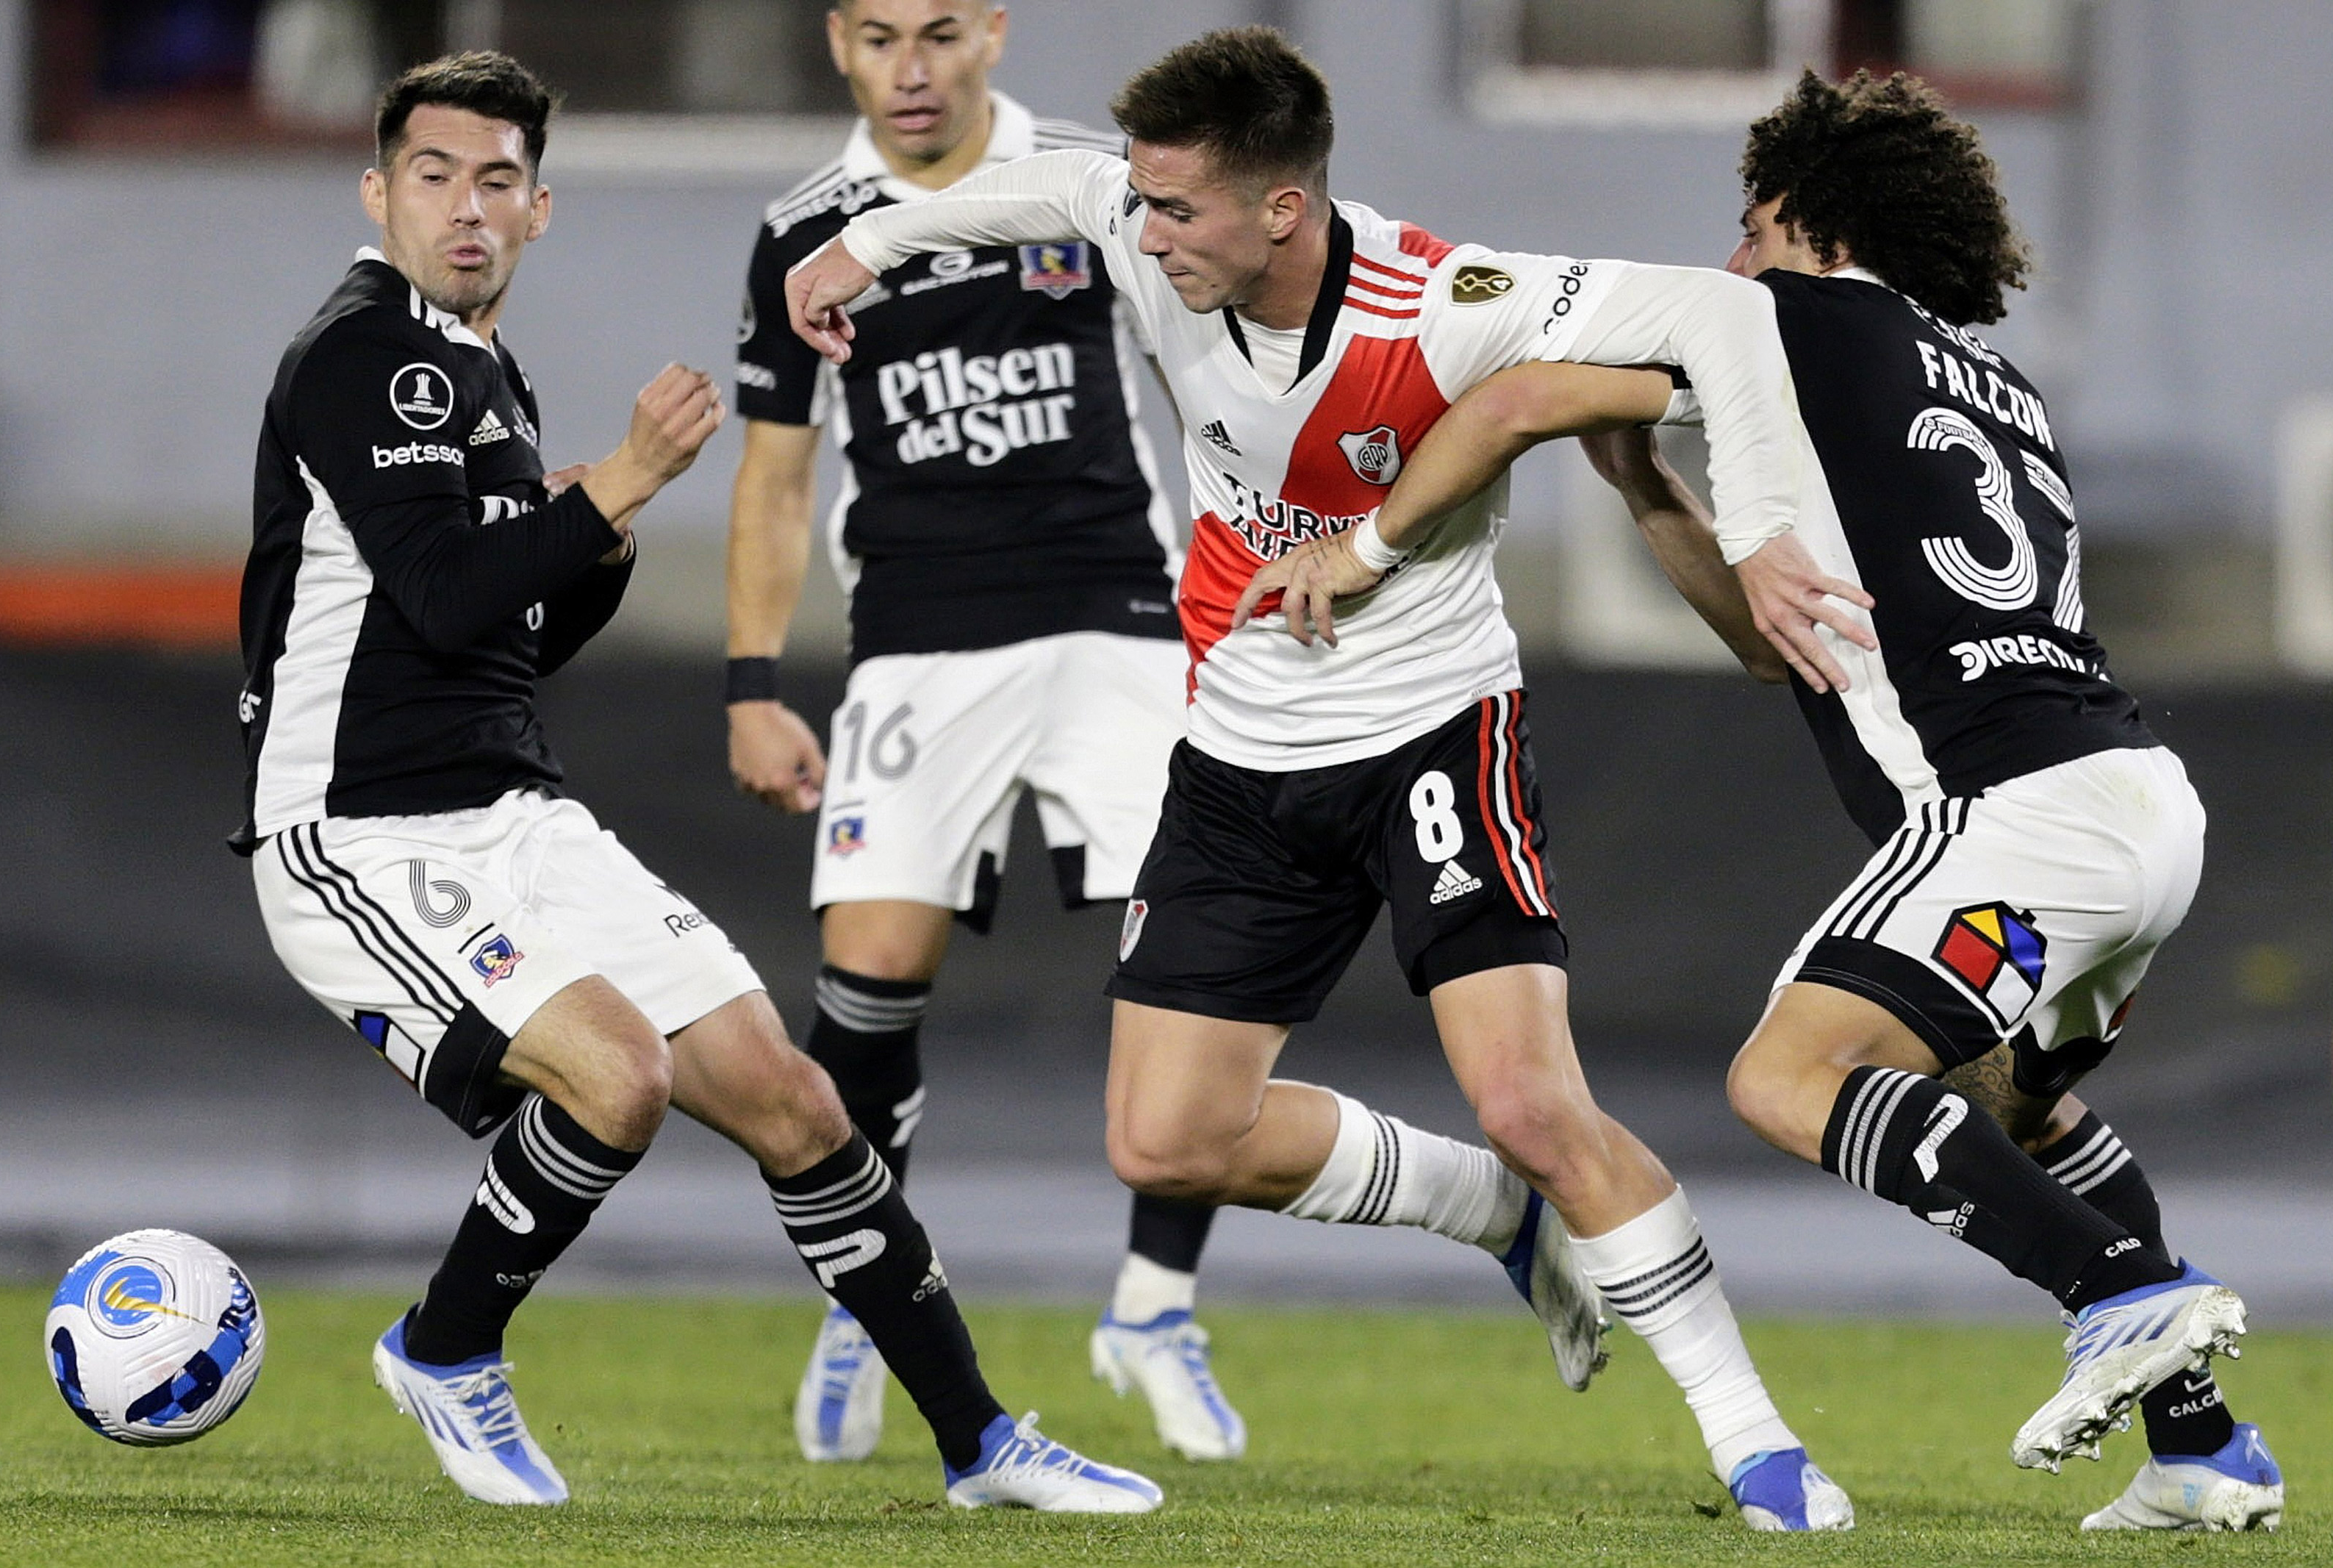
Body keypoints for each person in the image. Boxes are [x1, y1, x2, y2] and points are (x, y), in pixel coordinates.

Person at [786, 27, 1854, 1531]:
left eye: (1178, 213)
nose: (1143, 236)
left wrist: (1758, 533)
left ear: (1280, 208)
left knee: (1535, 1101)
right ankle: (1491, 1210)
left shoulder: (1450, 298)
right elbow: (1027, 192)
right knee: (1163, 1139)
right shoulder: (1142, 226)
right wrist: (872, 239)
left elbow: (1714, 320)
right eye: (1144, 207)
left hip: (1431, 730)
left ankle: (1757, 1439)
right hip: (1239, 741)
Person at [1288, 70, 2276, 1534]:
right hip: (2139, 806)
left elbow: (1512, 397)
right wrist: (1643, 486)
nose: (1731, 259)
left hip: (2008, 806)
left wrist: (1356, 552)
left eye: (1748, 226)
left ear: (1806, 221)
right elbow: (1779, 642)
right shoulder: (1993, 385)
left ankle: (2123, 1292)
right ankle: (2205, 1449)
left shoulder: (1781, 321)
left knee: (1781, 1078)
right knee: (2010, 1099)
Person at [237, 51, 1158, 1514]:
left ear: (539, 209)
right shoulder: (369, 352)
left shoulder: (484, 370)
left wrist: (587, 543)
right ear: (379, 192)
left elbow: (516, 633)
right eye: (432, 176)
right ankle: (445, 1342)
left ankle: (982, 1440)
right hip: (359, 834)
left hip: (513, 813)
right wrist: (618, 487)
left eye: (494, 181)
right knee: (620, 1076)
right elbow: (435, 591)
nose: (464, 208)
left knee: (793, 1097)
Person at [724, 0, 1244, 1464]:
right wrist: (750, 681)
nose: (912, 65)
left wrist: (1243, 574)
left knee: (1202, 953)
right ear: (837, 43)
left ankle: (1153, 1302)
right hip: (914, 643)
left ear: (994, 35)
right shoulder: (803, 229)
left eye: (941, 30)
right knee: (866, 986)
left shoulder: (1094, 185)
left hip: (1112, 624)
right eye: (881, 33)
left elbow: (1202, 385)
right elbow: (775, 477)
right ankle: (867, 1293)